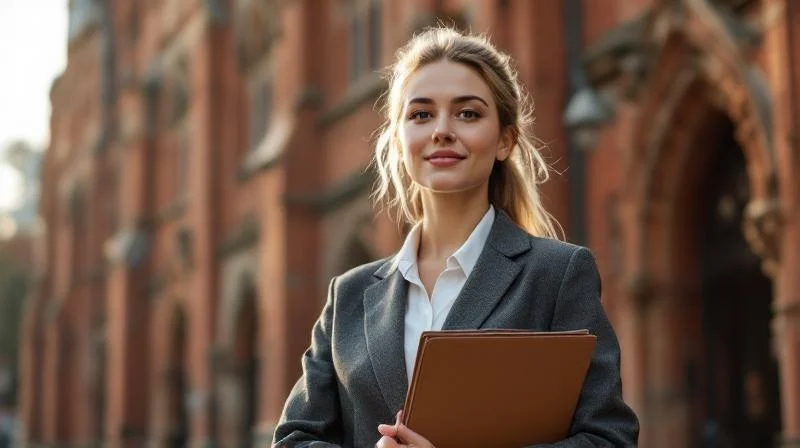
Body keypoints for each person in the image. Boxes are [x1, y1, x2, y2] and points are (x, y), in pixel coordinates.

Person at [272, 27, 639, 447]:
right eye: (421, 114)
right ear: (398, 140)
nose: (442, 130)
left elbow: (609, 438)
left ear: (505, 139)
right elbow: (293, 439)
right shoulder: (349, 297)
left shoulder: (557, 275)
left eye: (468, 114)